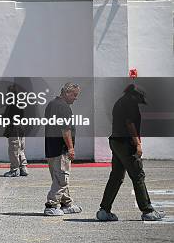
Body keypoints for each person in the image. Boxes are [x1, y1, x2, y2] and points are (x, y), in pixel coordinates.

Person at [96, 84, 166, 222]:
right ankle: (147, 211)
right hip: (126, 143)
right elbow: (130, 124)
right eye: (140, 99)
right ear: (135, 95)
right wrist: (138, 144)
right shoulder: (130, 103)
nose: (140, 102)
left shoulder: (120, 102)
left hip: (116, 141)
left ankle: (104, 210)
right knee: (138, 175)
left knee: (116, 177)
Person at [43, 83, 82, 216]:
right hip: (61, 149)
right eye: (74, 95)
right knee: (61, 179)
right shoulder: (63, 107)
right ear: (67, 93)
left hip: (51, 148)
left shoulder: (51, 104)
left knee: (58, 177)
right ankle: (51, 205)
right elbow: (65, 129)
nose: (76, 98)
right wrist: (70, 148)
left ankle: (66, 203)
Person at [3, 84, 28, 177]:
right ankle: (23, 167)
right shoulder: (21, 101)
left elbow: (7, 115)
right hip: (21, 126)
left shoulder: (11, 102)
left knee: (13, 148)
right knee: (20, 147)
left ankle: (14, 169)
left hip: (14, 126)